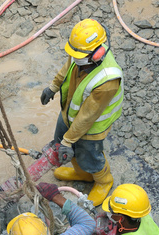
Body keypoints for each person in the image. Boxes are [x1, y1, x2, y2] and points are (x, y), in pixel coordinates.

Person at [40, 18, 124, 207]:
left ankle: (103, 181)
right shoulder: (80, 54)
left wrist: (69, 141)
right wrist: (53, 87)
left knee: (89, 154)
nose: (74, 58)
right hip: (69, 116)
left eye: (78, 55)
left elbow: (88, 116)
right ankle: (82, 173)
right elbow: (67, 67)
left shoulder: (107, 80)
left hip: (92, 126)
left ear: (97, 53)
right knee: (60, 142)